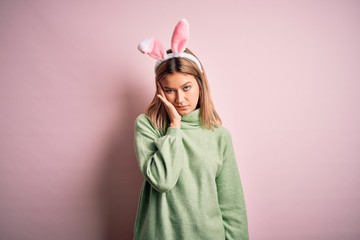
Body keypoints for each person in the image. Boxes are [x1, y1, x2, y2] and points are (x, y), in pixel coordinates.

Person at [134, 19, 248, 240]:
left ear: (200, 84)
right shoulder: (147, 126)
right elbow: (162, 181)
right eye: (169, 90)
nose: (180, 99)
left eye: (186, 87)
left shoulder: (219, 135)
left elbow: (232, 205)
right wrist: (174, 127)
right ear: (159, 89)